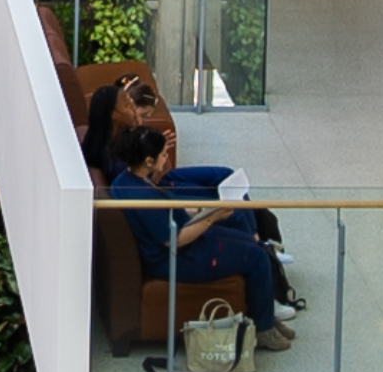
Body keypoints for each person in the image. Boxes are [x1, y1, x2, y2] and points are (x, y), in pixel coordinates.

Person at [112, 120, 292, 349]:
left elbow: (172, 212)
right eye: (163, 155)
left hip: (186, 242)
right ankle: (264, 329)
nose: (167, 158)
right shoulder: (142, 197)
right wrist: (211, 218)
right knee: (255, 257)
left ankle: (265, 317)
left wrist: (206, 210)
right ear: (148, 161)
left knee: (252, 244)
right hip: (178, 258)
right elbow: (174, 241)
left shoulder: (128, 181)